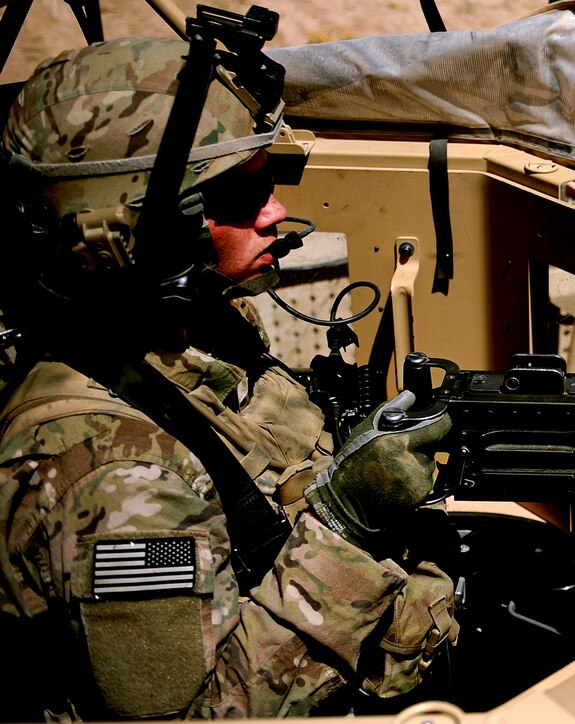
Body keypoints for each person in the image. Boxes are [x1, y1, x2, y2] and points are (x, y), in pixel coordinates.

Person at [0, 35, 456, 720]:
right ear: (127, 232)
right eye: (239, 197)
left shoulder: (186, 331)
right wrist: (345, 527)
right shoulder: (118, 478)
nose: (272, 212)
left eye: (270, 183)